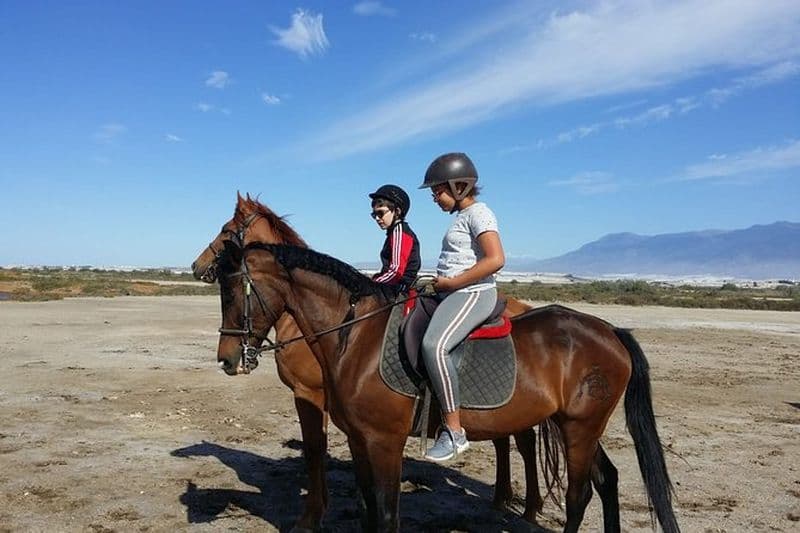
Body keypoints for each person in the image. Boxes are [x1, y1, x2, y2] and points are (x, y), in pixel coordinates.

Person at [417, 152, 505, 462]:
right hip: (454, 292)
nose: (435, 198)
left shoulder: (479, 213)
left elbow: (496, 260)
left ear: (458, 187)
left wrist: (453, 283)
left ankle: (454, 432)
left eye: (437, 191)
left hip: (474, 293)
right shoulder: (462, 218)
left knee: (434, 345)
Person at [368, 184, 421, 293]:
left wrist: (371, 286)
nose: (377, 218)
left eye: (380, 213)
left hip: (400, 291)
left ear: (397, 211)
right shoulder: (394, 232)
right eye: (374, 215)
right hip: (396, 287)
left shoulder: (399, 231)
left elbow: (396, 271)